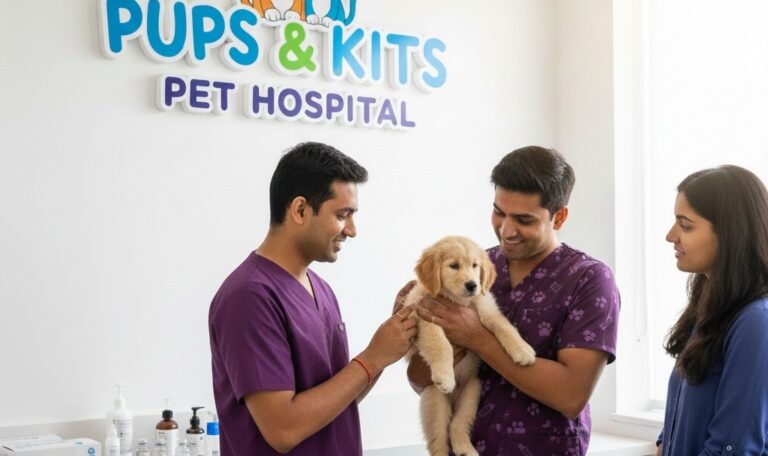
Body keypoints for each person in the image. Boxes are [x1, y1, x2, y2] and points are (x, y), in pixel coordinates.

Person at [397, 146, 621, 455]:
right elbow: (422, 380)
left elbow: (571, 396)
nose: (506, 230)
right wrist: (417, 329)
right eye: (499, 212)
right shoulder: (476, 266)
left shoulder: (588, 280)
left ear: (560, 217)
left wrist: (476, 337)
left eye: (524, 219)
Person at [209, 142, 417, 456]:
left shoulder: (321, 289)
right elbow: (284, 428)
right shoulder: (249, 297)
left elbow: (335, 401)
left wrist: (389, 348)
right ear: (300, 210)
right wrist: (373, 356)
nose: (352, 230)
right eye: (342, 215)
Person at [656, 165, 768, 455]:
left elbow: (734, 447)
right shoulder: (709, 307)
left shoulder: (757, 322)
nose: (671, 236)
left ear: (731, 232)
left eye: (686, 225)